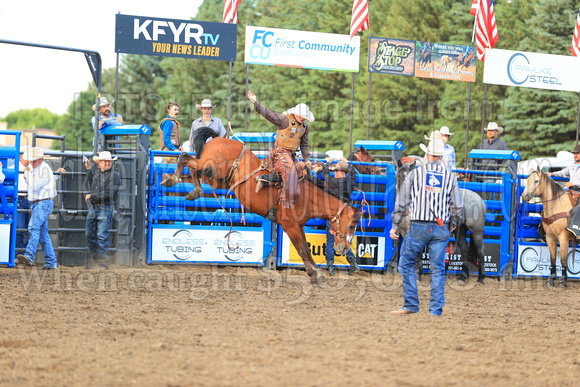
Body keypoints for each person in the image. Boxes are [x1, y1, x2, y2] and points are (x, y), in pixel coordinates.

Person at [390, 138, 464, 316]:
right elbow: (459, 208)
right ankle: (435, 310)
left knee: (406, 263)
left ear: (427, 154)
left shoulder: (415, 174)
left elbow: (402, 201)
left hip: (418, 227)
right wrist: (452, 224)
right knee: (437, 268)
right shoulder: (449, 178)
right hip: (440, 228)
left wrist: (395, 225)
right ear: (441, 157)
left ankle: (411, 304)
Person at [247, 90, 313, 208]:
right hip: (280, 152)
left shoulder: (305, 127)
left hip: (292, 154)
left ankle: (264, 179)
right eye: (302, 116)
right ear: (296, 114)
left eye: (305, 117)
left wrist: (307, 158)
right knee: (290, 170)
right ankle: (287, 201)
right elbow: (268, 114)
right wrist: (255, 102)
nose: (303, 119)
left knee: (301, 172)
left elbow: (304, 144)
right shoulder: (284, 119)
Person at [16, 147, 66, 270]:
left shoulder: (41, 169)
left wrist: (27, 173)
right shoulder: (41, 168)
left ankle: (29, 255)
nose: (31, 162)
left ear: (40, 159)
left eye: (34, 160)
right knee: (43, 234)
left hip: (42, 202)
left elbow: (34, 186)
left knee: (33, 227)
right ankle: (51, 262)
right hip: (41, 202)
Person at [314, 158, 360, 276]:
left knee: (331, 240)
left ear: (341, 172)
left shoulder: (334, 182)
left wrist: (327, 162)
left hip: (335, 216)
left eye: (336, 171)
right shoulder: (350, 182)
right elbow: (353, 174)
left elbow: (324, 174)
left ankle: (330, 266)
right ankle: (353, 263)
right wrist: (348, 163)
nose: (334, 173)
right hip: (346, 216)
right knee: (343, 240)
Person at [84, 151, 121, 270]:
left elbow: (109, 194)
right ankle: (99, 260)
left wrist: (92, 196)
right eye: (105, 161)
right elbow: (92, 183)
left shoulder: (114, 176)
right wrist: (88, 169)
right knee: (90, 234)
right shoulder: (97, 174)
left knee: (101, 235)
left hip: (105, 207)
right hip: (95, 207)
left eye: (109, 161)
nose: (107, 163)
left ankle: (103, 263)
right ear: (99, 163)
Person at [16, 149, 31, 250]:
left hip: (29, 199)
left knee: (29, 228)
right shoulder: (14, 168)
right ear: (21, 156)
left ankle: (24, 254)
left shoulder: (31, 168)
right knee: (20, 227)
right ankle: (19, 253)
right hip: (19, 200)